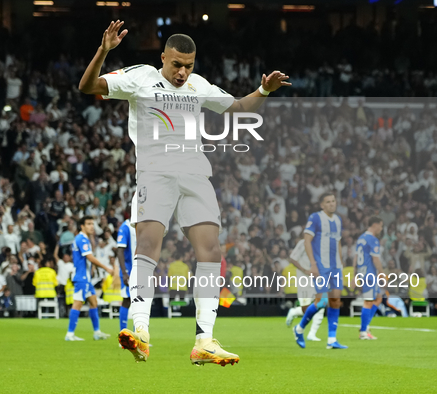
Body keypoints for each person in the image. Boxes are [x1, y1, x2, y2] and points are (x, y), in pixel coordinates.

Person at [79, 20, 289, 364]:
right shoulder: (141, 77)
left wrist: (263, 91)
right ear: (163, 58)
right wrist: (104, 51)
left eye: (188, 66)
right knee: (148, 245)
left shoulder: (198, 85)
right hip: (155, 173)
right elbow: (88, 86)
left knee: (210, 251)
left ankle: (204, 340)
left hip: (195, 175)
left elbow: (237, 108)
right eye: (176, 64)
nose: (182, 72)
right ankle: (141, 331)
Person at [293, 192, 347, 350]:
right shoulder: (315, 218)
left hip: (335, 266)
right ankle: (299, 328)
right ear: (322, 205)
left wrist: (341, 264)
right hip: (321, 266)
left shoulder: (337, 220)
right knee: (322, 301)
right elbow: (307, 241)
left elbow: (338, 243)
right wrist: (313, 264)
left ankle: (331, 339)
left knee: (335, 300)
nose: (332, 204)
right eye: (328, 202)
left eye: (333, 201)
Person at [65, 216, 113, 341]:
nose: (92, 226)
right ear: (82, 226)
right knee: (78, 303)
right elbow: (90, 258)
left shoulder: (83, 238)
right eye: (88, 224)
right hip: (81, 277)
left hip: (85, 277)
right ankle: (70, 334)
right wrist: (106, 268)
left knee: (93, 302)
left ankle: (97, 332)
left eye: (92, 223)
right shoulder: (82, 239)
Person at [285, 233, 326, 342]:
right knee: (306, 309)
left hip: (317, 279)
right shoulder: (303, 243)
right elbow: (292, 259)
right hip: (304, 279)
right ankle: (294, 312)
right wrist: (306, 271)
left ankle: (312, 334)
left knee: (321, 304)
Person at [355, 217, 385, 340]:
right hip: (369, 274)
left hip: (363, 272)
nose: (381, 229)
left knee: (378, 298)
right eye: (381, 226)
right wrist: (382, 273)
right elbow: (375, 259)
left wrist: (355, 273)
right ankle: (363, 332)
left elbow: (356, 257)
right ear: (375, 224)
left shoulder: (361, 238)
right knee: (368, 301)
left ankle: (365, 325)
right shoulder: (373, 239)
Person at [116, 217, 136, 331]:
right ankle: (123, 334)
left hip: (140, 271)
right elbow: (120, 251)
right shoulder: (125, 227)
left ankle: (137, 336)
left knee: (139, 302)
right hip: (128, 270)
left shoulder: (141, 225)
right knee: (127, 300)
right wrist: (124, 273)